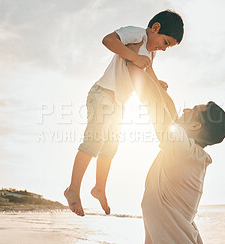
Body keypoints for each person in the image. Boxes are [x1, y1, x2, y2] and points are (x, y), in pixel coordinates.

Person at [64, 10, 184, 216]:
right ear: (156, 28)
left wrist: (157, 84)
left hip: (119, 104)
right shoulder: (138, 34)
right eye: (165, 42)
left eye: (168, 47)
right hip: (102, 93)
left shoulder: (151, 52)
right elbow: (108, 40)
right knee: (94, 141)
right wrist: (133, 56)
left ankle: (99, 188)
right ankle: (72, 189)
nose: (164, 49)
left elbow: (149, 71)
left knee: (110, 148)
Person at [126, 51, 225, 243]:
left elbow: (156, 105)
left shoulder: (182, 150)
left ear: (195, 126)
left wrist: (131, 63)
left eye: (193, 110)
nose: (185, 109)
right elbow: (168, 106)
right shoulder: (189, 152)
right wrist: (150, 70)